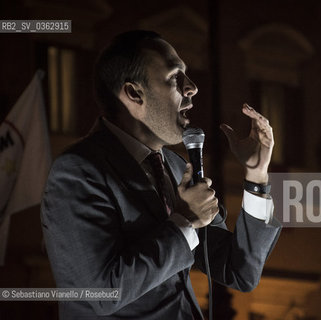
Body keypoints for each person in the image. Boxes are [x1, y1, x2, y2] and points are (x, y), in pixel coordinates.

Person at [40, 30, 281, 319]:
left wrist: (256, 175)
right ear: (133, 93)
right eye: (174, 77)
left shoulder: (178, 166)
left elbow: (239, 271)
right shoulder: (78, 171)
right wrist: (185, 221)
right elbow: (100, 295)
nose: (192, 87)